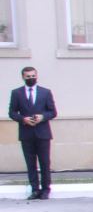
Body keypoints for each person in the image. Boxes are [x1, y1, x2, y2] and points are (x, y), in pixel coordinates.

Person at [9, 67, 56, 200]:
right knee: (31, 163)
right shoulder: (16, 93)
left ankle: (46, 189)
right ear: (23, 77)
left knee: (45, 163)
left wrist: (43, 117)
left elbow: (53, 112)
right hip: (26, 133)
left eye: (33, 76)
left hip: (43, 133)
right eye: (28, 76)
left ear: (36, 76)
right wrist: (23, 119)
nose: (31, 78)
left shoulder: (45, 92)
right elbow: (12, 112)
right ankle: (35, 189)